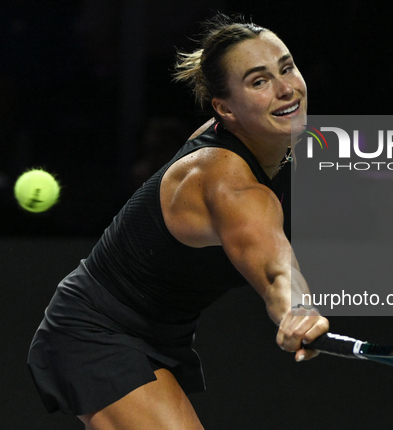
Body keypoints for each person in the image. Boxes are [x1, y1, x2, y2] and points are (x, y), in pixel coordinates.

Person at [28, 13, 328, 430]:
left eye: (286, 67)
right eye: (258, 82)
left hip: (158, 333)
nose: (285, 89)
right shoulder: (227, 183)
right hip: (93, 332)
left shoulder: (273, 139)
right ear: (225, 110)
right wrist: (298, 309)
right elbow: (277, 268)